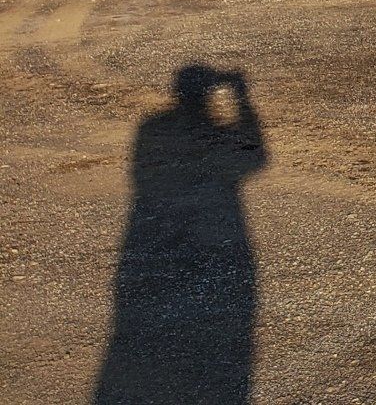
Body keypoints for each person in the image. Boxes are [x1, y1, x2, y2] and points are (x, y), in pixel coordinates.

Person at [94, 66, 267, 405]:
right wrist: (241, 97)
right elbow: (256, 158)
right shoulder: (157, 126)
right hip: (213, 226)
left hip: (153, 228)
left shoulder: (153, 126)